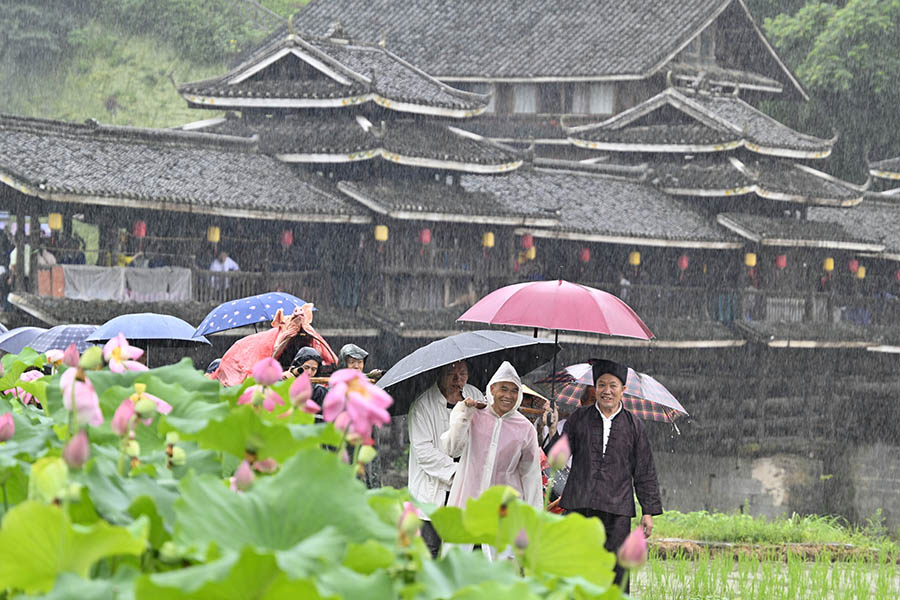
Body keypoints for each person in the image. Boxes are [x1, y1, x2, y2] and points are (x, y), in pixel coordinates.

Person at [559, 358, 662, 593]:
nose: (606, 391)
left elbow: (644, 470)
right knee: (576, 566)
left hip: (617, 510)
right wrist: (552, 425)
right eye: (601, 385)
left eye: (613, 385)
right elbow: (558, 457)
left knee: (616, 571)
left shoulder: (634, 425)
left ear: (623, 390)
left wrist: (648, 511)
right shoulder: (578, 418)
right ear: (594, 388)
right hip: (579, 505)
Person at [440, 361, 543, 557]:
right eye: (503, 388)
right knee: (459, 566)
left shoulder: (525, 428)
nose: (508, 395)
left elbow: (531, 477)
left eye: (514, 390)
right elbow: (451, 449)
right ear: (491, 389)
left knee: (497, 573)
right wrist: (462, 415)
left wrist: (532, 521)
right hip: (468, 501)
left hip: (504, 510)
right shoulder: (474, 414)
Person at [407, 361, 484, 558]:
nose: (458, 380)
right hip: (431, 488)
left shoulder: (474, 396)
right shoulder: (422, 405)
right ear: (440, 374)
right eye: (452, 374)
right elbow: (423, 451)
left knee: (466, 550)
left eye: (463, 374)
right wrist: (457, 471)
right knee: (428, 551)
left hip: (468, 487)